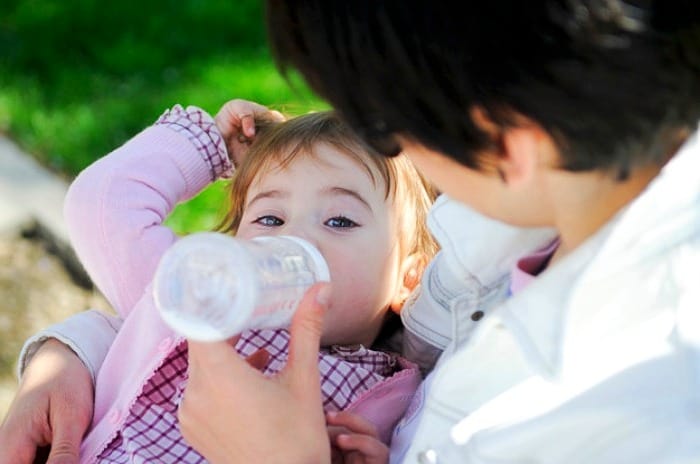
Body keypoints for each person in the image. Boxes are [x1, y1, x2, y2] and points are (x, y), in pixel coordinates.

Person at [173, 1, 700, 463]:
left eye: (381, 127)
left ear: (507, 143)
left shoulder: (643, 415)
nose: (396, 149)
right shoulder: (510, 227)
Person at [0, 100, 441, 463]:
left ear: (409, 280)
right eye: (270, 218)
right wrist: (212, 147)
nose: (293, 238)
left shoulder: (397, 393)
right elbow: (101, 205)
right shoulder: (197, 294)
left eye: (340, 220)